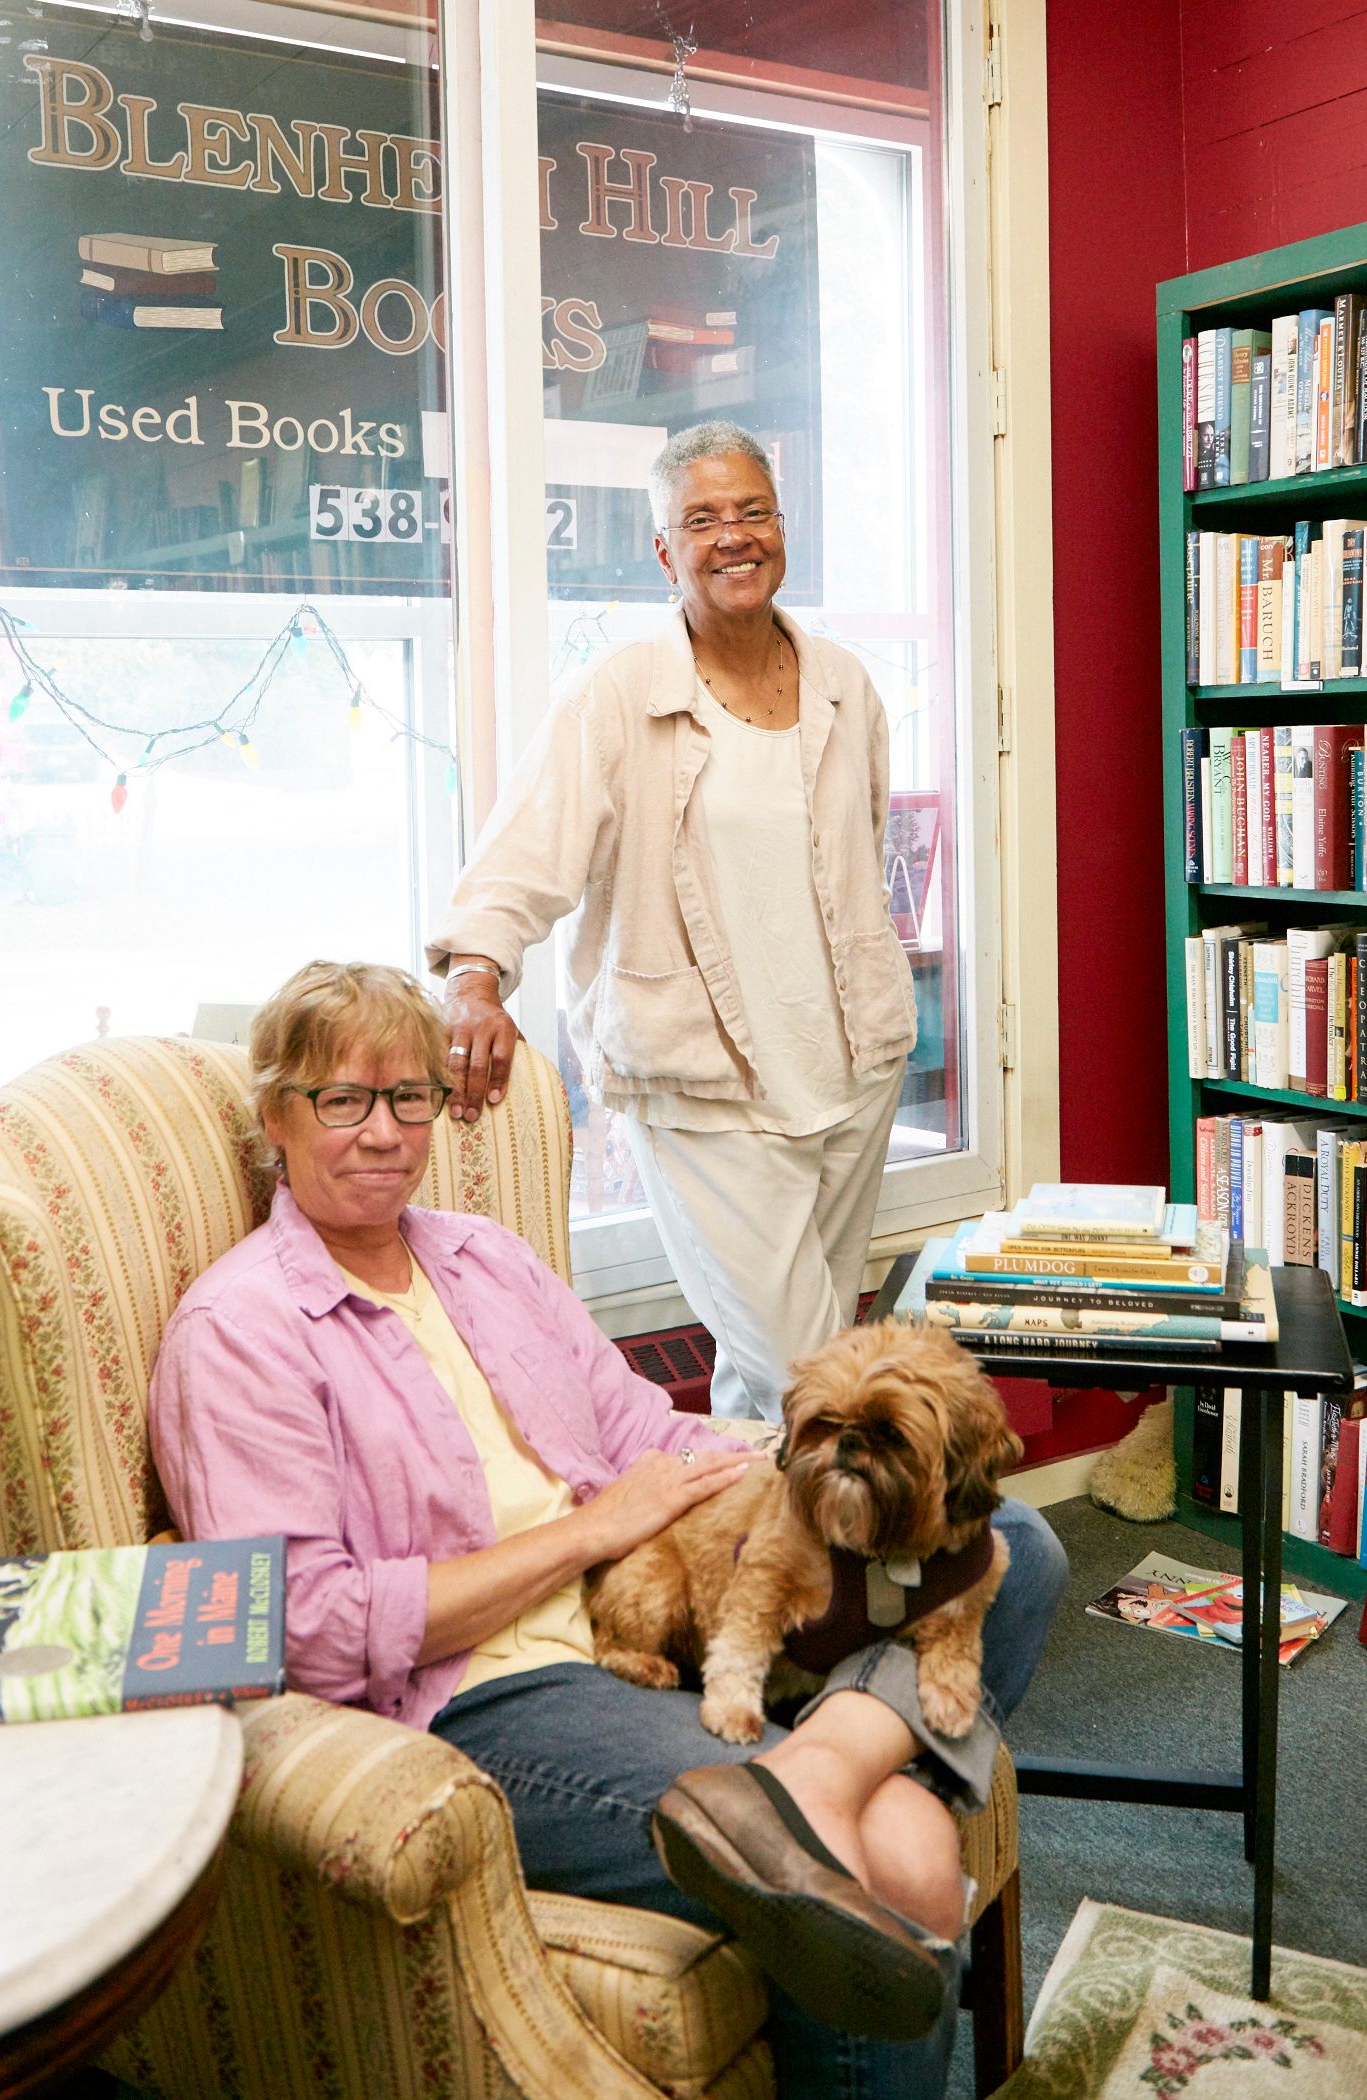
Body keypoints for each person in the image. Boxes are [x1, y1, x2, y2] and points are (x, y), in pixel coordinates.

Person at [148, 961, 1070, 2100]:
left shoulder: (484, 1259)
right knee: (894, 1857)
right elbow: (311, 1629)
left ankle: (823, 1766)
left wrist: (784, 1474)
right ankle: (852, 1794)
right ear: (276, 1116)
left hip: (650, 1602)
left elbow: (641, 1429)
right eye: (343, 1100)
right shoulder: (239, 1333)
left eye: (410, 1097)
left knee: (1012, 1545)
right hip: (489, 1696)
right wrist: (589, 1541)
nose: (382, 1132)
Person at [428, 420, 921, 1423]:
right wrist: (474, 975)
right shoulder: (617, 696)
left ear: (782, 529)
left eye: (751, 511)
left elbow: (857, 858)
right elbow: (525, 850)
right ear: (665, 550)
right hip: (701, 1084)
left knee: (773, 1367)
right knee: (805, 1369)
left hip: (849, 1069)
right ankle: (854, 1573)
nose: (732, 535)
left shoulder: (843, 685)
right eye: (701, 519)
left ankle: (753, 1571)